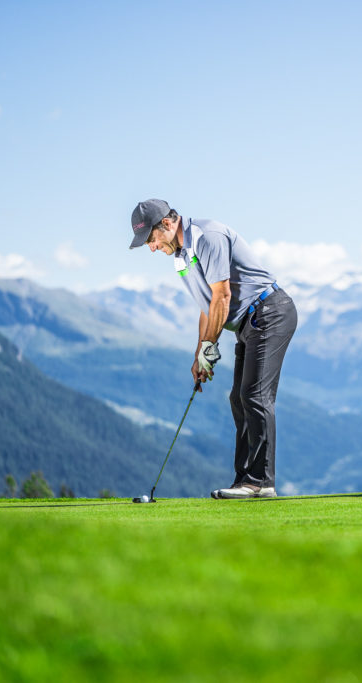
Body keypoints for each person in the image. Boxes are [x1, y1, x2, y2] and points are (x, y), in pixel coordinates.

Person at [129, 199, 298, 499]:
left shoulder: (208, 237)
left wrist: (210, 346)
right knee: (238, 398)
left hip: (270, 312)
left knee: (255, 395)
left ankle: (261, 482)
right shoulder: (180, 259)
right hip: (248, 323)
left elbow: (222, 296)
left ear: (167, 224)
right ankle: (245, 480)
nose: (151, 248)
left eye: (151, 240)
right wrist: (200, 354)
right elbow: (207, 306)